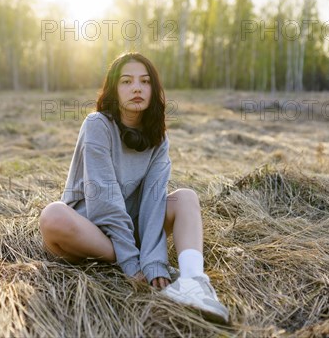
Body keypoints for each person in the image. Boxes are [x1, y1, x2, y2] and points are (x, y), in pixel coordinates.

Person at [39, 52, 230, 324]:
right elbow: (104, 198)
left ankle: (192, 282)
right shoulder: (97, 125)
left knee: (186, 197)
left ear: (154, 89)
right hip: (87, 229)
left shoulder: (158, 138)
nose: (137, 88)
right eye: (127, 82)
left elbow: (154, 201)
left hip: (133, 227)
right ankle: (129, 257)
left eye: (145, 81)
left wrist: (153, 263)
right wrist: (132, 261)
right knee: (52, 215)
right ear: (114, 91)